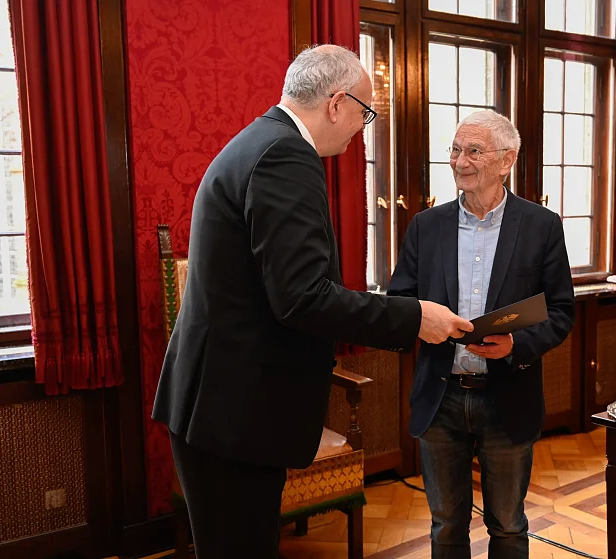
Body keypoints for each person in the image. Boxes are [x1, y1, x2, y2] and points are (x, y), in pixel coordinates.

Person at [151, 45, 473, 559]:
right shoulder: (285, 156)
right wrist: (414, 316)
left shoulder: (259, 141)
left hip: (218, 406)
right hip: (236, 415)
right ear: (336, 103)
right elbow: (301, 298)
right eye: (365, 113)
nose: (361, 130)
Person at [388, 109, 575, 558]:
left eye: (473, 151)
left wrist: (516, 345)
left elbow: (561, 311)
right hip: (440, 397)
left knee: (508, 525)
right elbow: (400, 300)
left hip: (508, 396)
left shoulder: (541, 226)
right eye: (455, 150)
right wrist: (423, 321)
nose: (459, 161)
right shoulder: (425, 225)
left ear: (506, 160)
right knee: (445, 526)